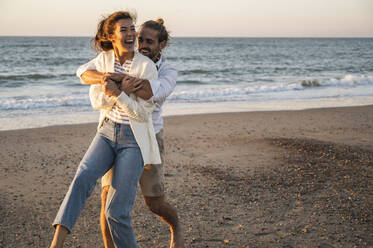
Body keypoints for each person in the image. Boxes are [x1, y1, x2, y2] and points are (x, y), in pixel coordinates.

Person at [50, 11, 160, 248]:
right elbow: (94, 95)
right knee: (81, 178)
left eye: (133, 29)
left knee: (116, 212)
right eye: (124, 30)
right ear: (111, 36)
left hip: (134, 140)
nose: (131, 34)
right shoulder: (104, 61)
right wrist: (113, 80)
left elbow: (142, 114)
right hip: (107, 131)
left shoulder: (146, 66)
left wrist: (119, 93)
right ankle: (56, 244)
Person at [78, 19, 185, 248]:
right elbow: (85, 72)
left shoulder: (168, 72)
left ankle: (176, 228)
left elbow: (149, 91)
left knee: (154, 202)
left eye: (149, 41)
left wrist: (117, 80)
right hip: (115, 132)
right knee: (107, 201)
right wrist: (108, 78)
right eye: (140, 40)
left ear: (162, 44)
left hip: (148, 138)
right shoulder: (126, 59)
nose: (142, 45)